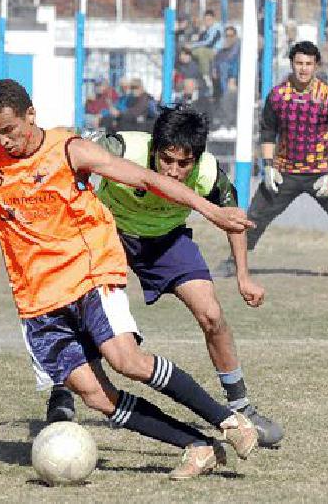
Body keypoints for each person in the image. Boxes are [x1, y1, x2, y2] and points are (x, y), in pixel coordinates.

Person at [0, 79, 259, 480]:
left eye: (10, 130)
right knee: (95, 396)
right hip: (36, 295)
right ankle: (197, 446)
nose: (4, 141)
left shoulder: (69, 149)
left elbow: (146, 179)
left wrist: (211, 212)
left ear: (31, 116)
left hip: (88, 274)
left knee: (127, 361)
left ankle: (229, 420)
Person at [41, 105, 284, 448]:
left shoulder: (209, 173)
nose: (171, 171)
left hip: (167, 241)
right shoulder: (123, 147)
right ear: (154, 148)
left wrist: (244, 275)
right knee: (80, 311)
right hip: (109, 234)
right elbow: (70, 145)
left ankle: (242, 408)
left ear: (196, 159)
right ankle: (62, 391)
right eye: (165, 160)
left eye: (182, 164)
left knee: (212, 314)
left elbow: (233, 218)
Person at [217, 41, 328, 284]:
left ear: (316, 65)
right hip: (284, 171)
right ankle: (233, 262)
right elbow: (268, 131)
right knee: (255, 217)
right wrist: (268, 167)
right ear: (292, 64)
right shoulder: (278, 96)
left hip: (323, 173)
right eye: (299, 63)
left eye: (308, 64)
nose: (303, 69)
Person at [213, 26, 241, 97]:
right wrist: (214, 68)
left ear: (235, 36)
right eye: (227, 36)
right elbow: (216, 59)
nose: (228, 38)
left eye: (231, 36)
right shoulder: (223, 49)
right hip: (224, 72)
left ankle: (225, 95)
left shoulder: (237, 45)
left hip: (234, 72)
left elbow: (230, 58)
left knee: (223, 66)